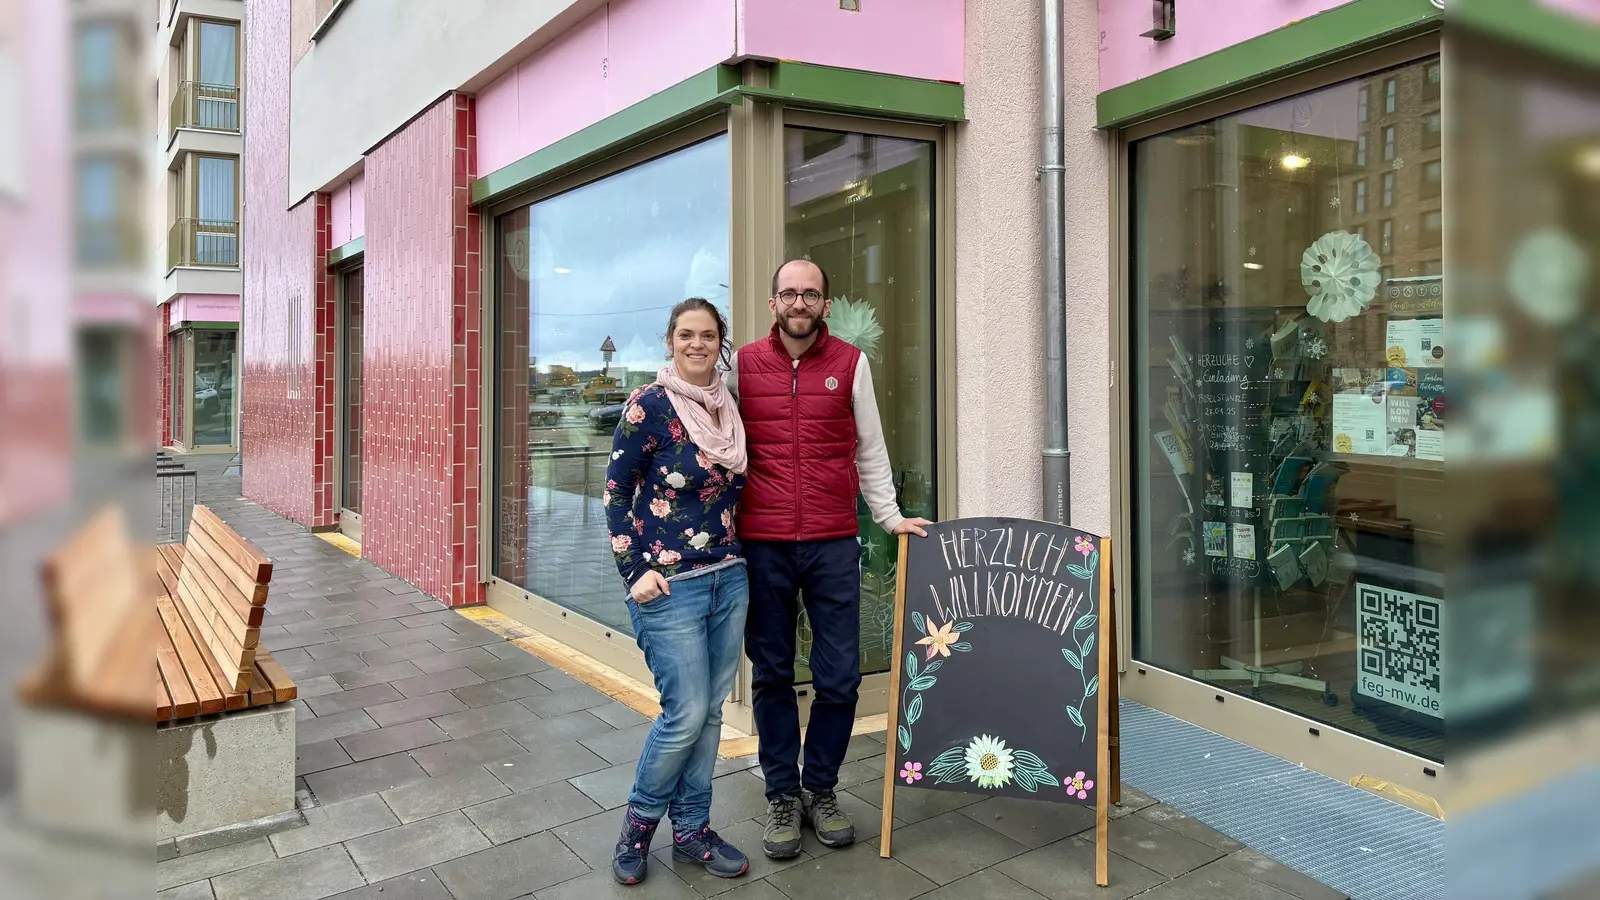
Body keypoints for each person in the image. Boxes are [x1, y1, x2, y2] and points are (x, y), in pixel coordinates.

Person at [727, 259, 932, 858]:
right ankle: (781, 797)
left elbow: (870, 448)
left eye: (810, 294)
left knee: (839, 677)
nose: (799, 302)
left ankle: (821, 788)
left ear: (825, 302)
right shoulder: (741, 365)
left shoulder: (850, 363)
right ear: (773, 304)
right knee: (770, 675)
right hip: (762, 544)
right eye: (789, 293)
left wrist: (890, 517)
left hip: (834, 542)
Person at [604, 298, 751, 885]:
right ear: (670, 341)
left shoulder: (728, 409)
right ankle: (638, 826)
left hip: (728, 579)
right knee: (684, 713)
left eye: (708, 335)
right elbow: (615, 496)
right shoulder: (649, 406)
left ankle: (692, 830)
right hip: (668, 587)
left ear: (721, 342)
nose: (697, 344)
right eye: (686, 335)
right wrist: (633, 571)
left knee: (711, 714)